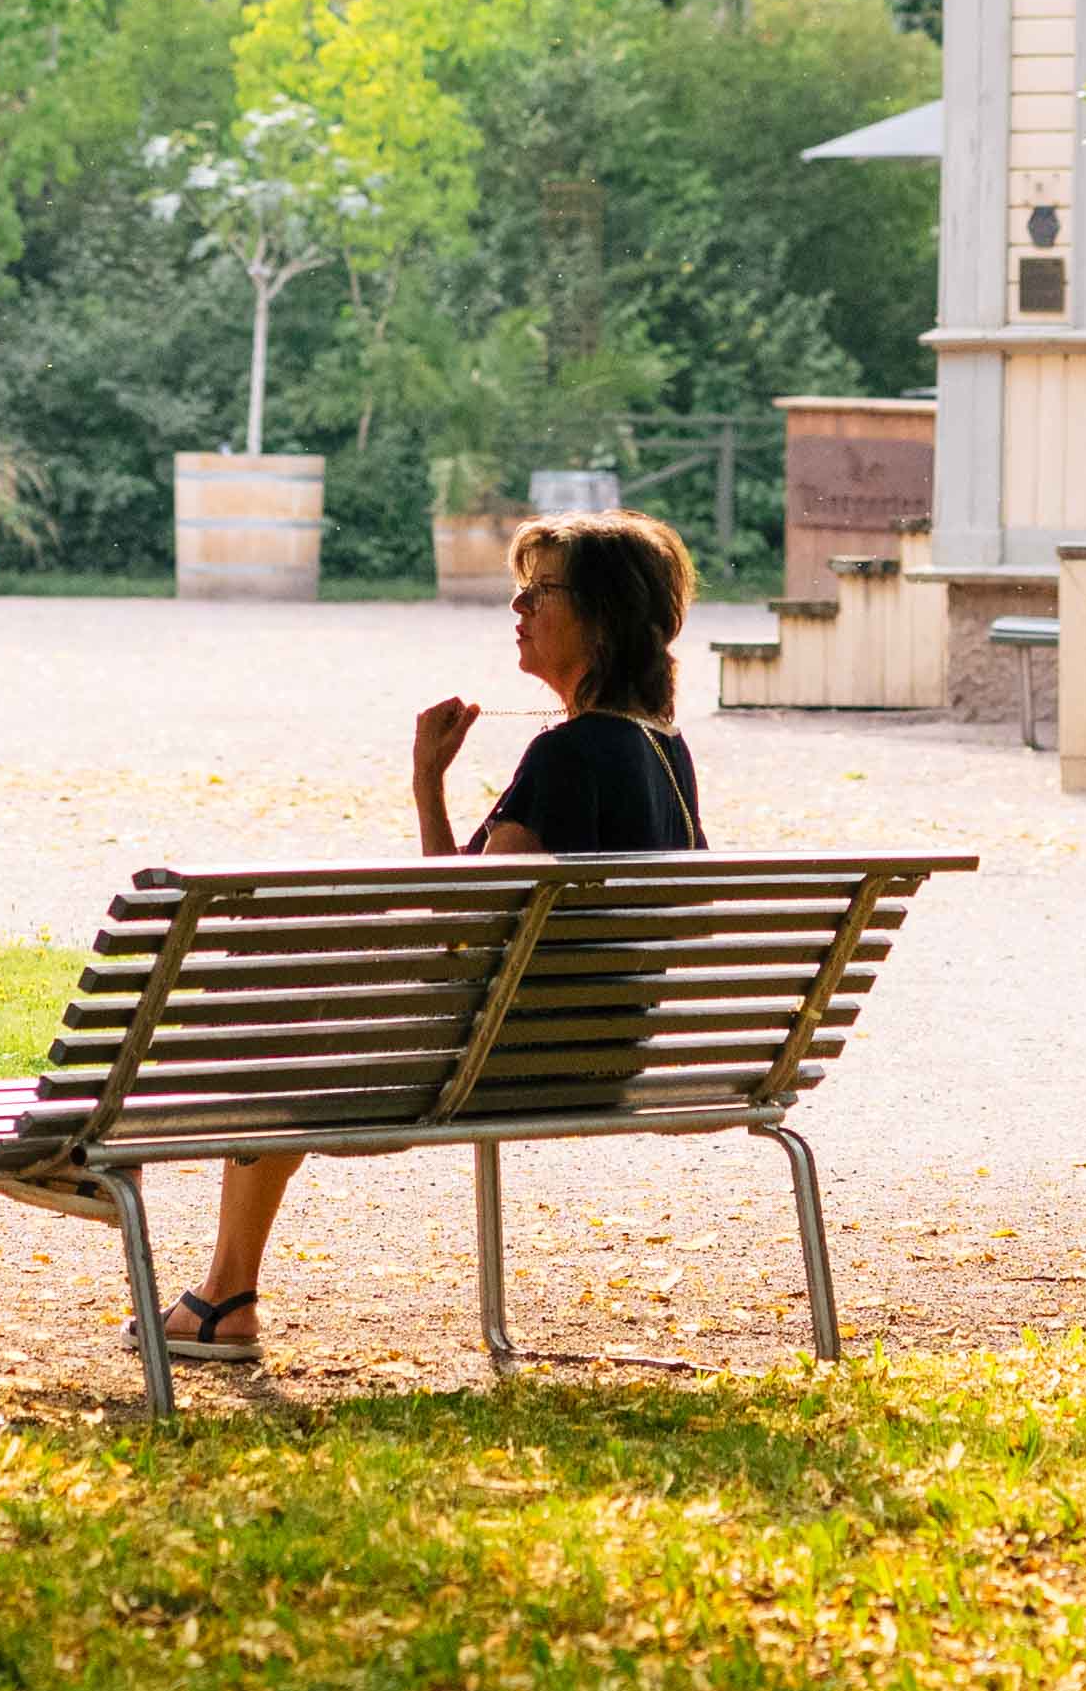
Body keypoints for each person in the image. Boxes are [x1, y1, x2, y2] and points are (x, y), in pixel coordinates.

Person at [161, 511, 699, 1376]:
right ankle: (223, 1295)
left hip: (496, 1063)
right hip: (593, 1051)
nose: (518, 607)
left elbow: (459, 931)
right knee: (286, 982)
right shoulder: (663, 752)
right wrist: (429, 788)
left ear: (599, 613)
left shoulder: (568, 755)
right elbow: (480, 920)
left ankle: (209, 1274)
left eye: (541, 591)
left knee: (271, 981)